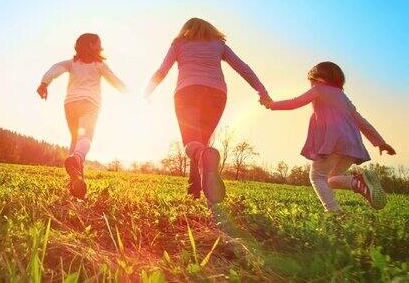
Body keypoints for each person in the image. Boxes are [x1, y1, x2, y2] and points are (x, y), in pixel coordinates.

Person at [144, 17, 271, 204]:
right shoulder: (218, 44)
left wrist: (147, 91)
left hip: (187, 92)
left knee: (192, 144)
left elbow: (162, 70)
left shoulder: (179, 44)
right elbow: (243, 68)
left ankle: (195, 185)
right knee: (200, 143)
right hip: (216, 94)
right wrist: (262, 91)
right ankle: (193, 191)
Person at [263, 61, 396, 212]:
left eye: (310, 81)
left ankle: (334, 212)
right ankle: (357, 182)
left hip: (333, 142)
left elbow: (295, 102)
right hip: (352, 145)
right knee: (328, 180)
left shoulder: (318, 89)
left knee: (317, 177)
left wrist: (271, 104)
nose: (310, 85)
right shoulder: (343, 97)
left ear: (317, 78)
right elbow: (360, 120)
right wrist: (380, 142)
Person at [37, 33, 127, 199]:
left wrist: (44, 83)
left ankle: (76, 183)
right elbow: (114, 80)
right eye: (99, 43)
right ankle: (76, 160)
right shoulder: (99, 65)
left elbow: (54, 69)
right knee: (85, 139)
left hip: (70, 105)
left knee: (75, 141)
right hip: (89, 103)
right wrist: (129, 93)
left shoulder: (71, 64)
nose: (101, 46)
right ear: (91, 45)